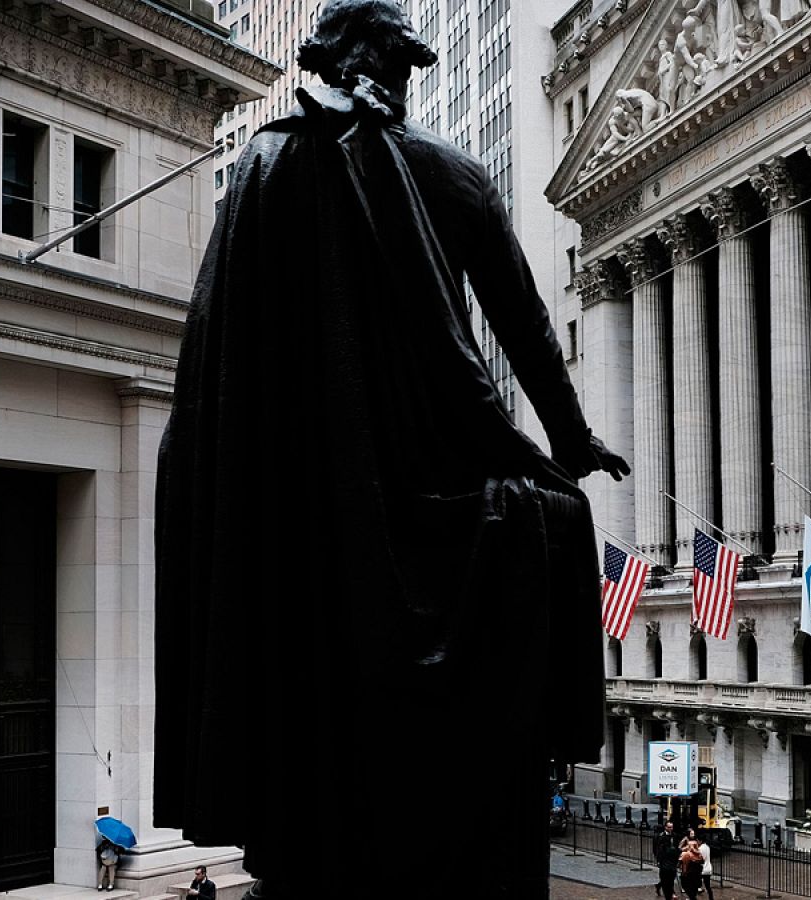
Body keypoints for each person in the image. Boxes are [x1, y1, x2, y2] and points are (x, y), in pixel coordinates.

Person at [153, 2, 628, 898]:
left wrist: (568, 437)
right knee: (555, 520)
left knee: (547, 521)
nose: (398, 80)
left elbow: (212, 376)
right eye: (395, 64)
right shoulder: (438, 172)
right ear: (384, 69)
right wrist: (565, 441)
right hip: (399, 492)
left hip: (309, 511)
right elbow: (522, 323)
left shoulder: (261, 169)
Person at [652, 821, 682, 900]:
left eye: (671, 827)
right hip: (665, 861)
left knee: (671, 879)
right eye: (669, 827)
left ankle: (666, 890)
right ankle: (670, 894)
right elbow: (658, 850)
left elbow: (676, 848)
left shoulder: (674, 835)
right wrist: (658, 860)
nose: (670, 829)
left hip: (673, 861)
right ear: (665, 827)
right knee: (665, 880)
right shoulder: (661, 837)